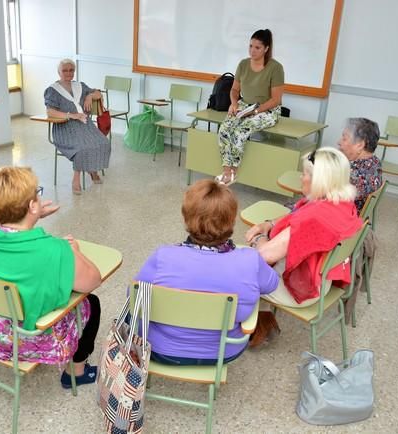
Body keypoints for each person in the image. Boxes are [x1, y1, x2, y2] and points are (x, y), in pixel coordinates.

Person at [0, 167, 102, 388]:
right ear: (32, 205)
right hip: (24, 341)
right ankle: (76, 372)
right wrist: (73, 251)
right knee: (91, 303)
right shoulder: (53, 250)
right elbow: (93, 280)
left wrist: (30, 217)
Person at [135, 180, 278, 365]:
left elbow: (135, 298)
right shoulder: (250, 260)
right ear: (231, 219)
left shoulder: (163, 256)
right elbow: (271, 284)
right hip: (223, 353)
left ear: (186, 218)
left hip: (160, 350)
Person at [245, 148, 363, 342]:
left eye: (306, 174)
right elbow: (294, 216)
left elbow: (265, 255)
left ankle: (241, 328)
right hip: (323, 281)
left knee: (237, 269)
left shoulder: (313, 219)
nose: (302, 177)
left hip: (304, 290)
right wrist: (270, 224)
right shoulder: (342, 202)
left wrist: (258, 237)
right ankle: (261, 318)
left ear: (320, 180)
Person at [216, 29, 284, 185]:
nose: (252, 50)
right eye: (250, 46)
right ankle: (226, 171)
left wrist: (254, 111)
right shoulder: (243, 64)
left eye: (257, 47)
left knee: (241, 130)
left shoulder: (276, 68)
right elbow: (234, 90)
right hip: (244, 106)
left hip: (267, 110)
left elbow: (275, 99)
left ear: (266, 48)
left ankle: (234, 171)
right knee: (224, 130)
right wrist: (234, 104)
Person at [44, 58, 111, 195]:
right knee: (81, 147)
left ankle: (92, 170)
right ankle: (76, 178)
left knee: (103, 142)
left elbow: (98, 93)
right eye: (65, 70)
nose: (68, 73)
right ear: (59, 72)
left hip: (85, 125)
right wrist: (71, 115)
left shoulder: (80, 86)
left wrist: (90, 96)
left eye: (71, 70)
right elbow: (50, 111)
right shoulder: (52, 90)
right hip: (65, 127)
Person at [337, 117, 382, 211]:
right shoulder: (374, 162)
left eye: (344, 139)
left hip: (341, 220)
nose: (339, 142)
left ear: (360, 145)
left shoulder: (354, 176)